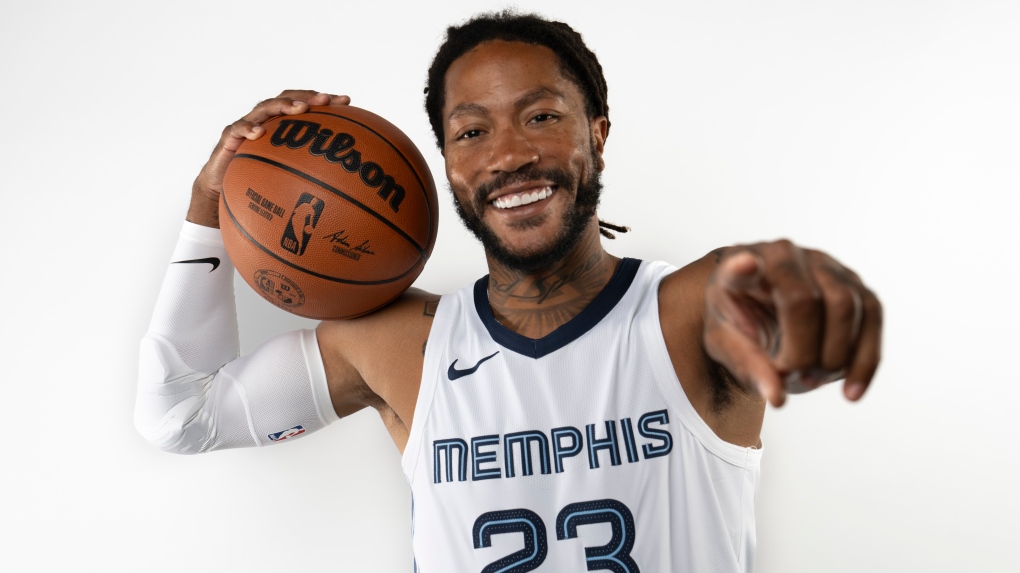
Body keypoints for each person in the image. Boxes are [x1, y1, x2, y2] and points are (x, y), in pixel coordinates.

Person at [135, 11, 881, 572]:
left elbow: (761, 292)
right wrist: (210, 202)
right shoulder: (402, 345)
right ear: (446, 165)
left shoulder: (686, 311)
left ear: (598, 132)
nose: (511, 154)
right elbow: (178, 414)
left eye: (542, 117)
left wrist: (811, 302)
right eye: (471, 132)